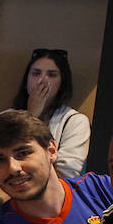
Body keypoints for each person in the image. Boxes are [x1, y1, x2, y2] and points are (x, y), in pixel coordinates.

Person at [10, 48, 89, 177]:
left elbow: (66, 175)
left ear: (62, 83)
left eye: (51, 75)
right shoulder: (6, 117)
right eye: (36, 73)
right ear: (26, 81)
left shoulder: (75, 121)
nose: (42, 80)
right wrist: (30, 115)